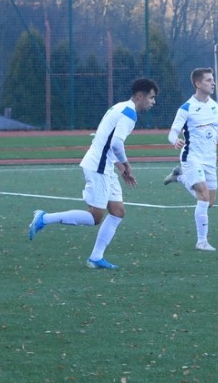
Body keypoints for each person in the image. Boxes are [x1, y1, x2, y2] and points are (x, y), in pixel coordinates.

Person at [28, 77, 159, 270]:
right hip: (98, 166)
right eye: (151, 97)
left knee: (118, 212)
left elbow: (106, 141)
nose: (153, 102)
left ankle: (96, 258)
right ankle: (44, 218)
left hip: (105, 166)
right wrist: (127, 165)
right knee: (95, 217)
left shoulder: (120, 107)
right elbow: (116, 143)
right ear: (140, 96)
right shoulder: (129, 113)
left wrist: (121, 169)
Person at [163, 67, 218, 251]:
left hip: (210, 159)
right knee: (204, 196)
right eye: (208, 80)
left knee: (209, 202)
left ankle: (179, 177)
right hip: (192, 157)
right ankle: (202, 241)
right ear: (198, 84)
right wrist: (175, 140)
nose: (213, 83)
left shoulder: (216, 107)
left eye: (212, 80)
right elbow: (172, 132)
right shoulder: (186, 108)